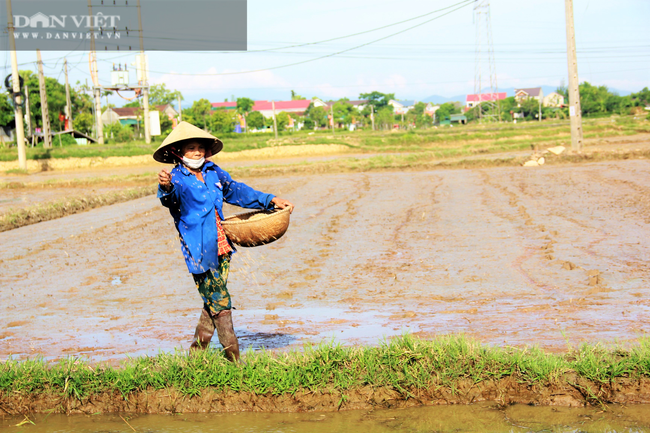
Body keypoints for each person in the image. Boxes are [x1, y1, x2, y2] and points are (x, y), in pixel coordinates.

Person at [153, 122, 293, 362]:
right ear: (178, 152)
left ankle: (196, 358)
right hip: (198, 248)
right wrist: (165, 187)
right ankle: (234, 362)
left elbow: (237, 191)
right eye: (190, 148)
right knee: (220, 300)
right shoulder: (175, 179)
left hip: (222, 244)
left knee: (213, 300)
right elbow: (170, 200)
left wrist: (270, 200)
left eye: (200, 147)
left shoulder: (212, 172)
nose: (197, 152)